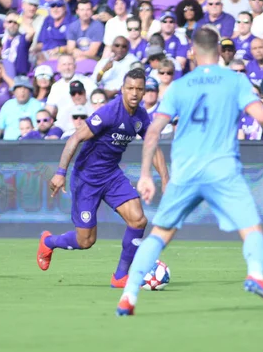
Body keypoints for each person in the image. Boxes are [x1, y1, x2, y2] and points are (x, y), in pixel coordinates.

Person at [114, 27, 263, 316]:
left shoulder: (179, 86)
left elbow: (153, 132)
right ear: (221, 51)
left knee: (160, 234)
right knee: (251, 228)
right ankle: (256, 275)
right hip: (222, 170)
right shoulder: (235, 80)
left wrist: (146, 174)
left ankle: (129, 296)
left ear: (193, 51)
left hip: (185, 172)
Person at [36, 69, 170, 289]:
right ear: (122, 90)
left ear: (144, 91)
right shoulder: (109, 112)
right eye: (130, 89)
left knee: (138, 220)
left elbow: (152, 147)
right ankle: (48, 241)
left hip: (111, 174)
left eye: (139, 89)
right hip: (86, 178)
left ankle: (120, 277)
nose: (134, 93)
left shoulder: (142, 116)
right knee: (85, 241)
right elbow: (76, 137)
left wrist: (165, 178)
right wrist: (61, 172)